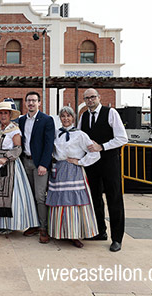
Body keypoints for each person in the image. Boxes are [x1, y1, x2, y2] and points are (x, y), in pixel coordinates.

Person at [79, 88, 128, 252]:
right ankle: (100, 231)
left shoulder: (111, 113)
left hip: (109, 162)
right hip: (92, 164)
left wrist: (102, 146)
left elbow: (122, 138)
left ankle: (117, 239)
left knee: (114, 199)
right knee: (94, 199)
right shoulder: (84, 116)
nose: (90, 100)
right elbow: (80, 138)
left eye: (93, 97)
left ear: (99, 98)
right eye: (87, 98)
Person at [47, 106, 100, 248]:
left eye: (68, 116)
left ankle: (75, 234)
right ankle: (59, 231)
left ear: (73, 118)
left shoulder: (80, 135)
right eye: (63, 116)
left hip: (74, 170)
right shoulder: (56, 134)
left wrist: (80, 162)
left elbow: (95, 153)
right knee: (59, 201)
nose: (65, 119)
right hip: (58, 170)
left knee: (74, 202)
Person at [0, 99, 39, 235]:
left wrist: (6, 157)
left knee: (11, 197)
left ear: (10, 115)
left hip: (9, 166)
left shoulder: (14, 130)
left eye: (6, 113)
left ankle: (9, 224)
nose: (3, 116)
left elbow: (18, 149)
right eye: (1, 113)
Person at [18, 91, 55, 243]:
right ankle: (33, 224)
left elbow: (49, 144)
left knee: (40, 196)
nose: (31, 103)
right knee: (29, 194)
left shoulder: (47, 120)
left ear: (39, 103)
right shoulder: (20, 120)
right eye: (29, 101)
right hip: (24, 162)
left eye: (34, 100)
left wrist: (43, 164)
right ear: (25, 103)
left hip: (39, 164)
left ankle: (43, 228)